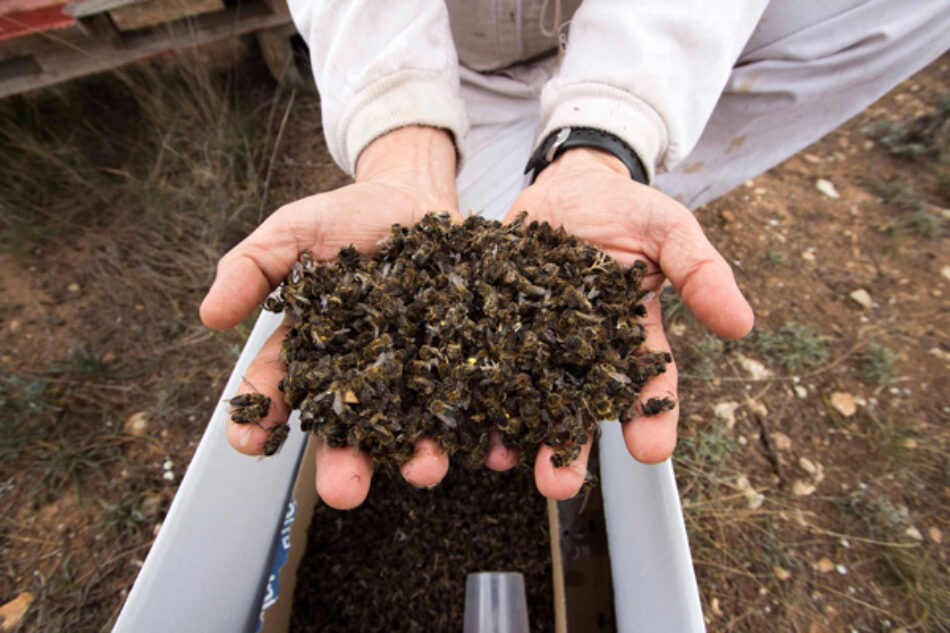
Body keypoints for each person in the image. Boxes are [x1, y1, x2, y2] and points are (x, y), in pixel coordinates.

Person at [200, 0, 949, 510]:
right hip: (451, 44)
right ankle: (499, 140)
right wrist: (400, 136)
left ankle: (607, 158)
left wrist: (611, 130)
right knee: (463, 224)